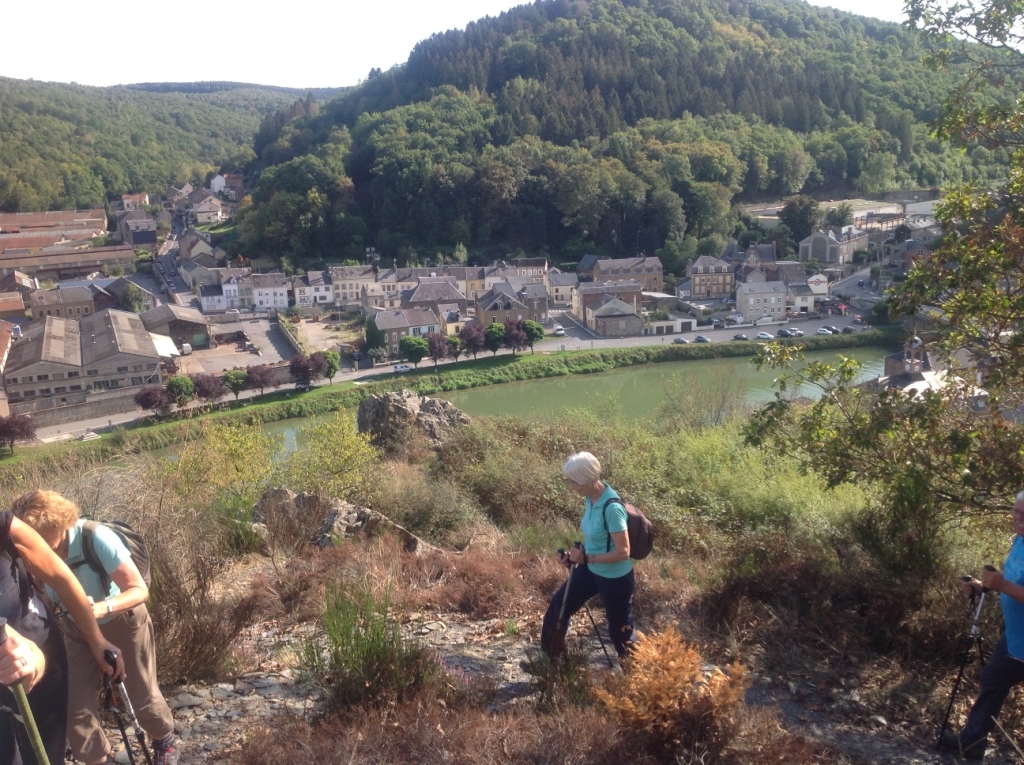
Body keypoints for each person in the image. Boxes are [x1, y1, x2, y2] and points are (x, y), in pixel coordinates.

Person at [12, 490, 177, 765]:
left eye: (39, 535)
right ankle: (96, 759)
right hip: (76, 629)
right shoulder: (33, 553)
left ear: (59, 524)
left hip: (123, 621)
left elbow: (138, 590)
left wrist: (102, 608)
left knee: (141, 693)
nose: (32, 543)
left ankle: (164, 740)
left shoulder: (95, 538)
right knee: (75, 705)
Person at [0, 509, 124, 765]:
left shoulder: (3, 525)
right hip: (10, 662)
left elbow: (62, 578)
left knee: (47, 752)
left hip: (44, 653)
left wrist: (97, 641)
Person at [939, 490, 1024, 761]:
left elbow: (1008, 584)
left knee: (993, 680)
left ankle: (972, 741)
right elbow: (1010, 581)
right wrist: (982, 585)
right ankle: (972, 741)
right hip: (1015, 636)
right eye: (1016, 511)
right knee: (992, 680)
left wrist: (1002, 585)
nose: (1018, 518)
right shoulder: (1019, 541)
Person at [540, 451, 637, 662]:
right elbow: (597, 537)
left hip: (616, 578)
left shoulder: (612, 508)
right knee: (558, 608)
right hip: (591, 569)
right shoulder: (590, 498)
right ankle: (550, 663)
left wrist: (587, 559)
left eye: (575, 482)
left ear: (588, 479)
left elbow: (624, 552)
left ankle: (636, 681)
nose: (572, 487)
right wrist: (576, 555)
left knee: (620, 633)